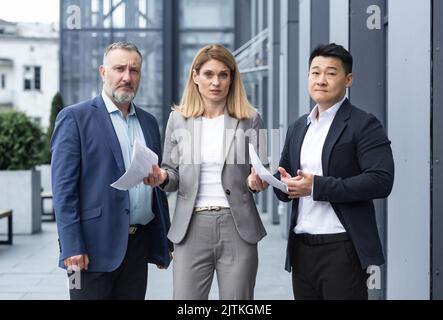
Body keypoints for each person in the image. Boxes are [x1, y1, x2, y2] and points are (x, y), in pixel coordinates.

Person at [144, 44, 269, 300]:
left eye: (224, 74)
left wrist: (256, 181)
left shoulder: (251, 119)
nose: (216, 82)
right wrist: (163, 177)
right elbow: (171, 173)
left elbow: (261, 172)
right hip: (190, 227)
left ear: (232, 78)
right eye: (209, 74)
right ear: (195, 76)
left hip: (237, 227)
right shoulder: (178, 120)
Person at [272, 43, 394, 300]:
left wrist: (316, 186)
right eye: (315, 73)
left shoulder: (364, 124)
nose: (321, 80)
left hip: (342, 248)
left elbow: (381, 181)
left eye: (330, 73)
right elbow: (286, 182)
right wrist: (275, 183)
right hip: (302, 249)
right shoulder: (298, 127)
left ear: (348, 79)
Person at [51, 41, 172, 300]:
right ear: (103, 72)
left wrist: (165, 241)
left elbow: (156, 191)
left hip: (136, 247)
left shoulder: (149, 123)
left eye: (134, 70)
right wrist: (71, 246)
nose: (127, 77)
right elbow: (63, 190)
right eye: (119, 69)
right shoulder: (73, 118)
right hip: (85, 251)